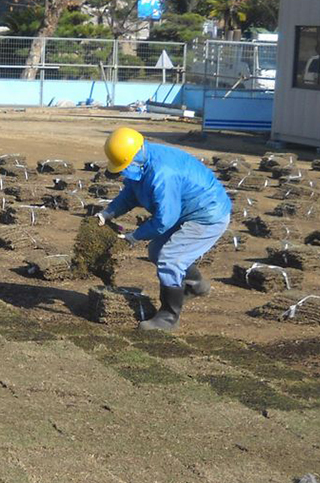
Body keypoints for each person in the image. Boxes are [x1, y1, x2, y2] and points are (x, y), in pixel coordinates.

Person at [96, 127, 231, 331]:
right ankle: (195, 285)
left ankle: (168, 317)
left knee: (170, 258)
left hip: (207, 215)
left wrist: (135, 236)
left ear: (132, 158)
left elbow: (163, 221)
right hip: (184, 210)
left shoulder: (162, 174)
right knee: (156, 251)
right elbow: (132, 193)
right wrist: (108, 213)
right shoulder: (142, 160)